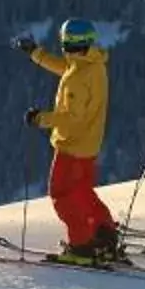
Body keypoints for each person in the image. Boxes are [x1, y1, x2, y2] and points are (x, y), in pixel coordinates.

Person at [16, 18, 122, 260]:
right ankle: (104, 232)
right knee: (83, 192)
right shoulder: (93, 65)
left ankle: (81, 246)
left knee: (62, 195)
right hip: (89, 144)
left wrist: (40, 119)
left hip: (72, 145)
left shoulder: (78, 77)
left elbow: (72, 117)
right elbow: (67, 68)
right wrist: (36, 54)